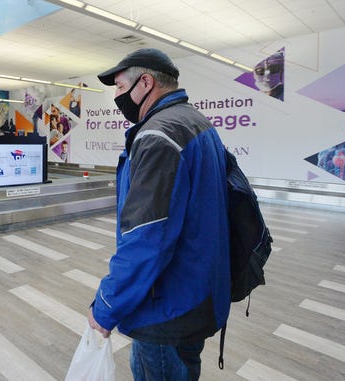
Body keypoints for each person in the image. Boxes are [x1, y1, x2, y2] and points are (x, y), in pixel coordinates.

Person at [88, 48, 230, 381]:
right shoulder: (197, 122)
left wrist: (107, 306)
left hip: (167, 306)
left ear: (146, 82)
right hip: (197, 290)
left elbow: (146, 239)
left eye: (121, 88)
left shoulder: (158, 136)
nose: (117, 98)